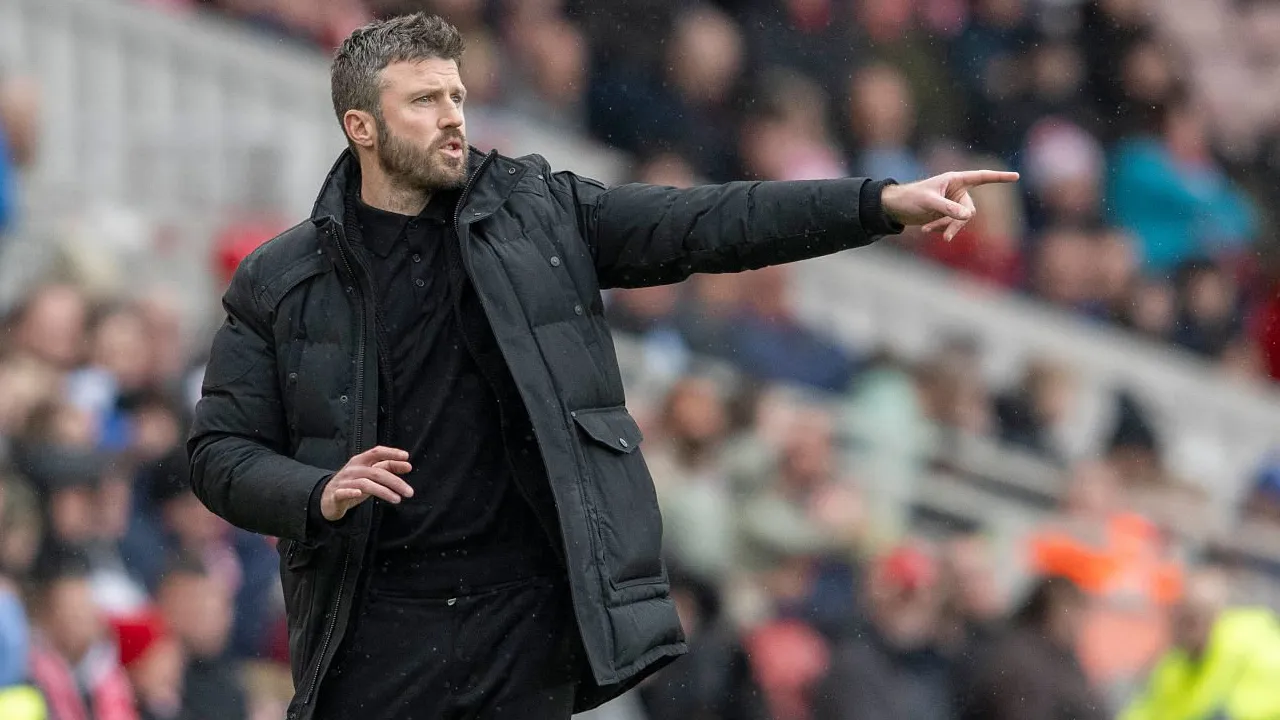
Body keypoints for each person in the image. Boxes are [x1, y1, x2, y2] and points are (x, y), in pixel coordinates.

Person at [186, 12, 1018, 720]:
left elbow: (710, 222)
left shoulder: (542, 212)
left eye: (458, 97)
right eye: (424, 100)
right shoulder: (281, 278)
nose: (453, 117)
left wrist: (874, 203)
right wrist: (316, 492)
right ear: (360, 126)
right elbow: (218, 453)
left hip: (519, 618)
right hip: (373, 621)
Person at [1122, 568, 1280, 720]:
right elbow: (1145, 712)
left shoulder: (1253, 644)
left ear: (1215, 616)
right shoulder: (1174, 667)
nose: (1181, 631)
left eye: (1190, 621)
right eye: (1177, 620)